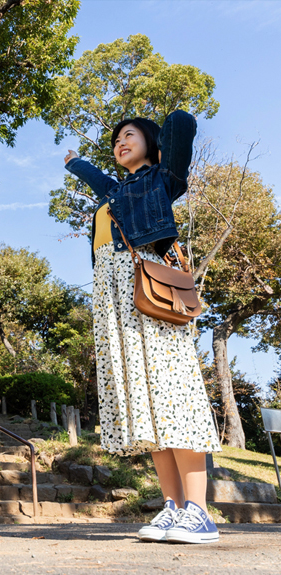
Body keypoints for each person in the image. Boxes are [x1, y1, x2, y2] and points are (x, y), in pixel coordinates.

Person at [63, 110, 221, 544]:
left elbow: (179, 133)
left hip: (149, 296)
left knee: (175, 400)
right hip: (115, 304)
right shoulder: (117, 191)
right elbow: (101, 183)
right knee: (148, 407)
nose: (120, 142)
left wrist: (171, 117)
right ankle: (173, 508)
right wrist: (76, 164)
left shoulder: (161, 180)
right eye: (116, 139)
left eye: (129, 135)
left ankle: (200, 513)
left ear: (151, 142)